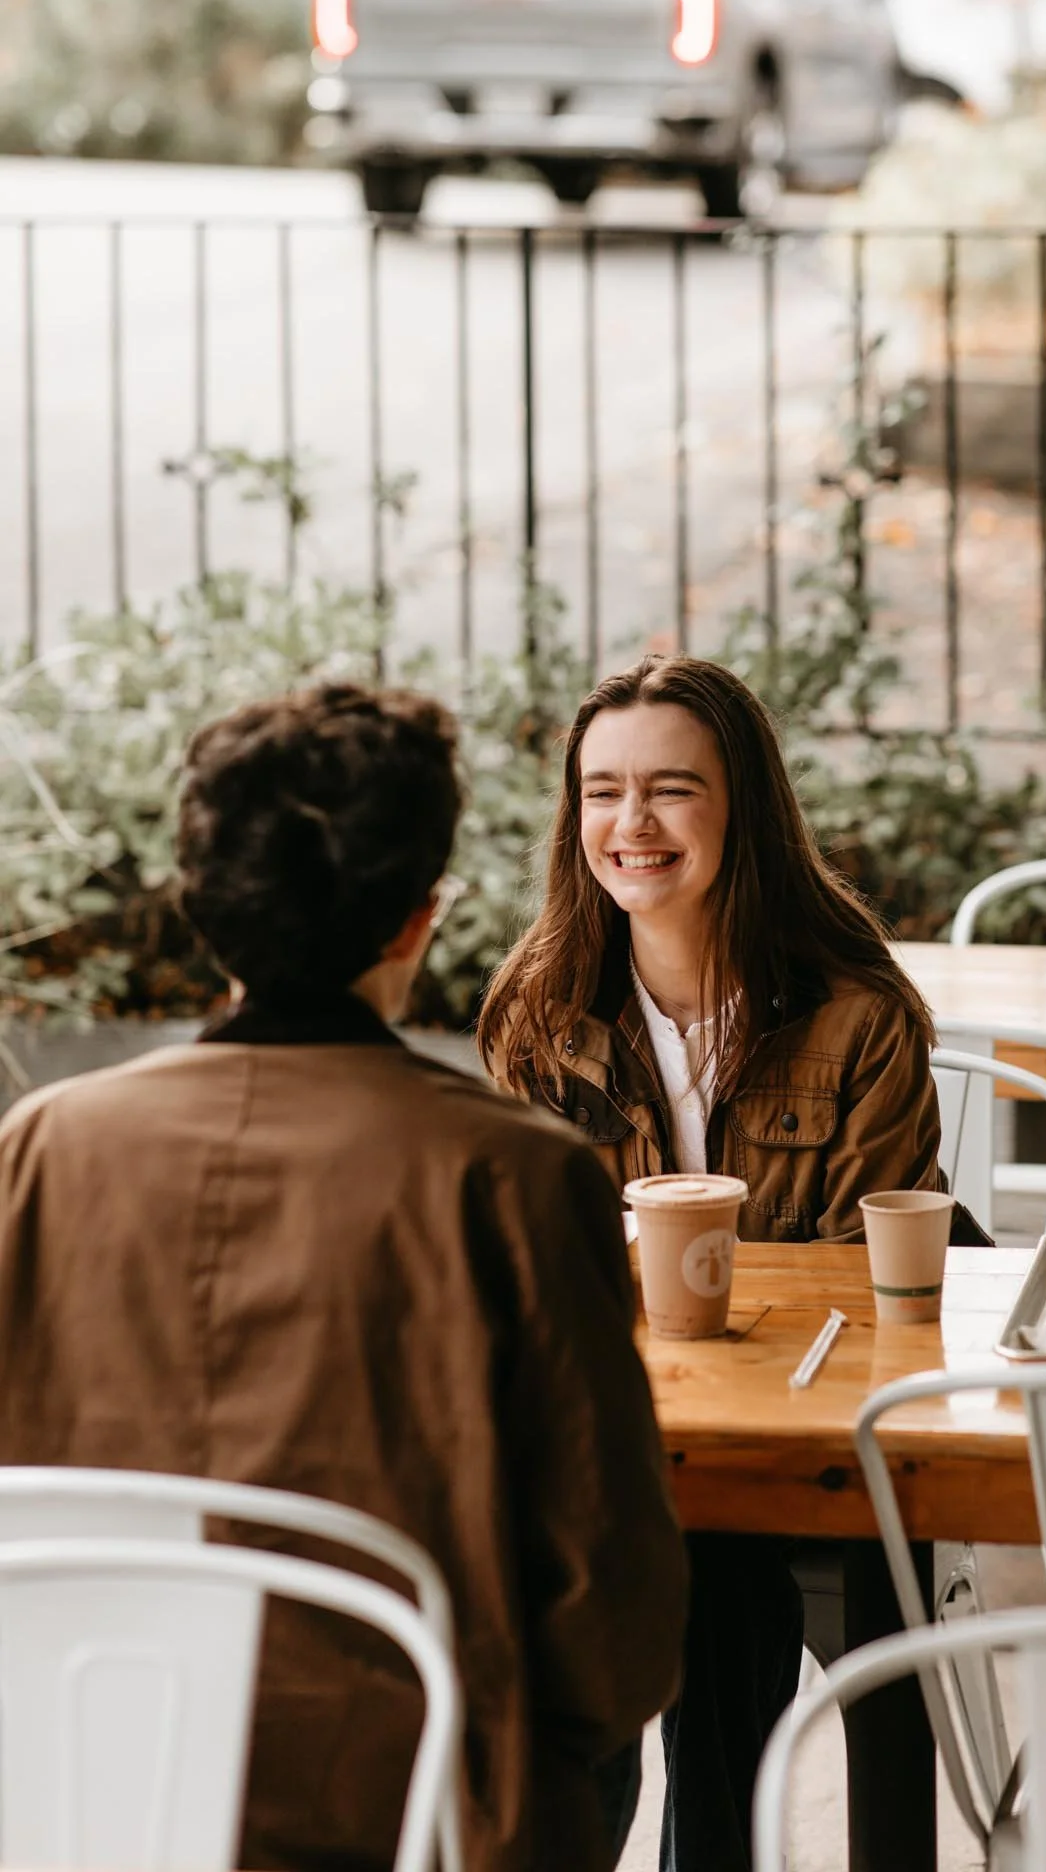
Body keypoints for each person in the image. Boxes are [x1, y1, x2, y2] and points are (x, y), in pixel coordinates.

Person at [0, 681, 687, 1872]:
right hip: (413, 1817)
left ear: (203, 910)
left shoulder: (41, 1148)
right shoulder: (515, 1177)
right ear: (420, 917)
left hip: (80, 1798)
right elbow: (614, 1631)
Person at [479, 654, 977, 1872]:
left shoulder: (858, 1014)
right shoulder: (540, 1012)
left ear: (741, 806)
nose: (630, 824)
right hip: (616, 1438)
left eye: (670, 790)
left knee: (714, 1558)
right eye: (601, 791)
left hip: (804, 1446)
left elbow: (874, 1290)